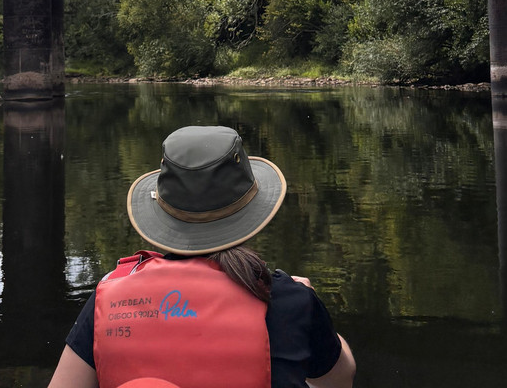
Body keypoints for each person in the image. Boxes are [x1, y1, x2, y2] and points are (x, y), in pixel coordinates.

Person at [48, 124, 356, 388]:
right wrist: (311, 309)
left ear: (161, 211)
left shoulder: (108, 297)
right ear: (252, 214)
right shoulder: (289, 300)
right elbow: (338, 379)